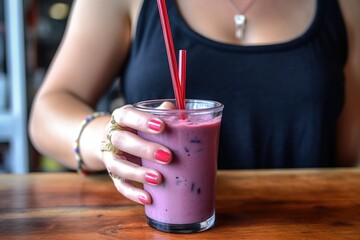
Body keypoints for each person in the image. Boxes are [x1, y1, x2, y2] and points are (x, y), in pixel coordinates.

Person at [29, 0, 360, 205]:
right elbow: (48, 111)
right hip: (164, 225)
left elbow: (348, 154)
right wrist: (107, 138)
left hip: (304, 225)